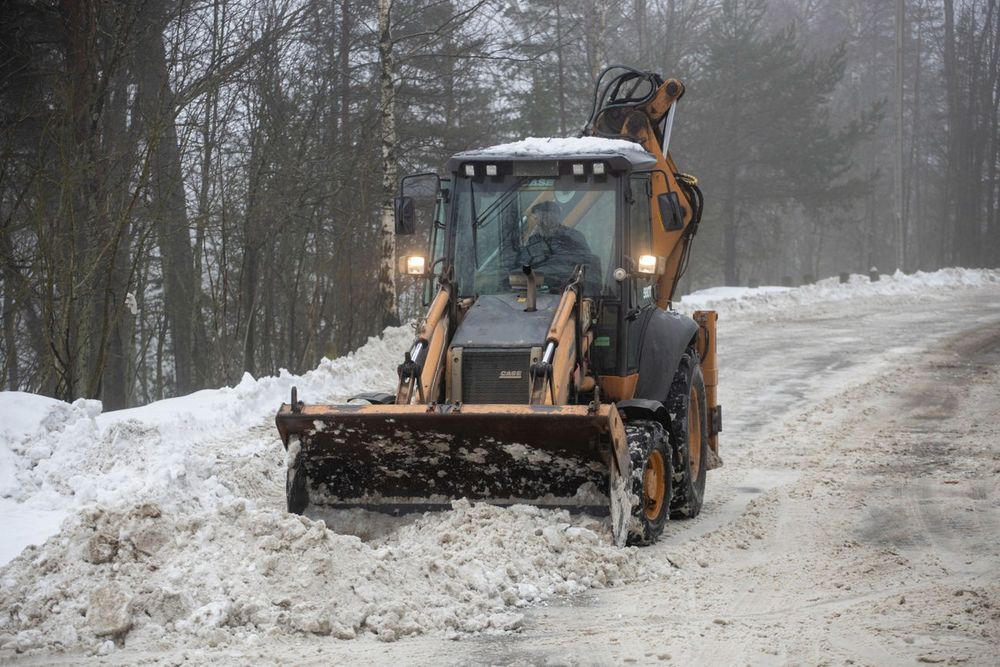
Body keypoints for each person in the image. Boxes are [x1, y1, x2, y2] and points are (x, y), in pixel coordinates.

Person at [516, 200, 603, 294]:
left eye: (547, 216)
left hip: (569, 292)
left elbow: (587, 266)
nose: (543, 221)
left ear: (557, 216)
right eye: (538, 217)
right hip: (540, 295)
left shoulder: (572, 236)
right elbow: (523, 266)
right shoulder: (533, 241)